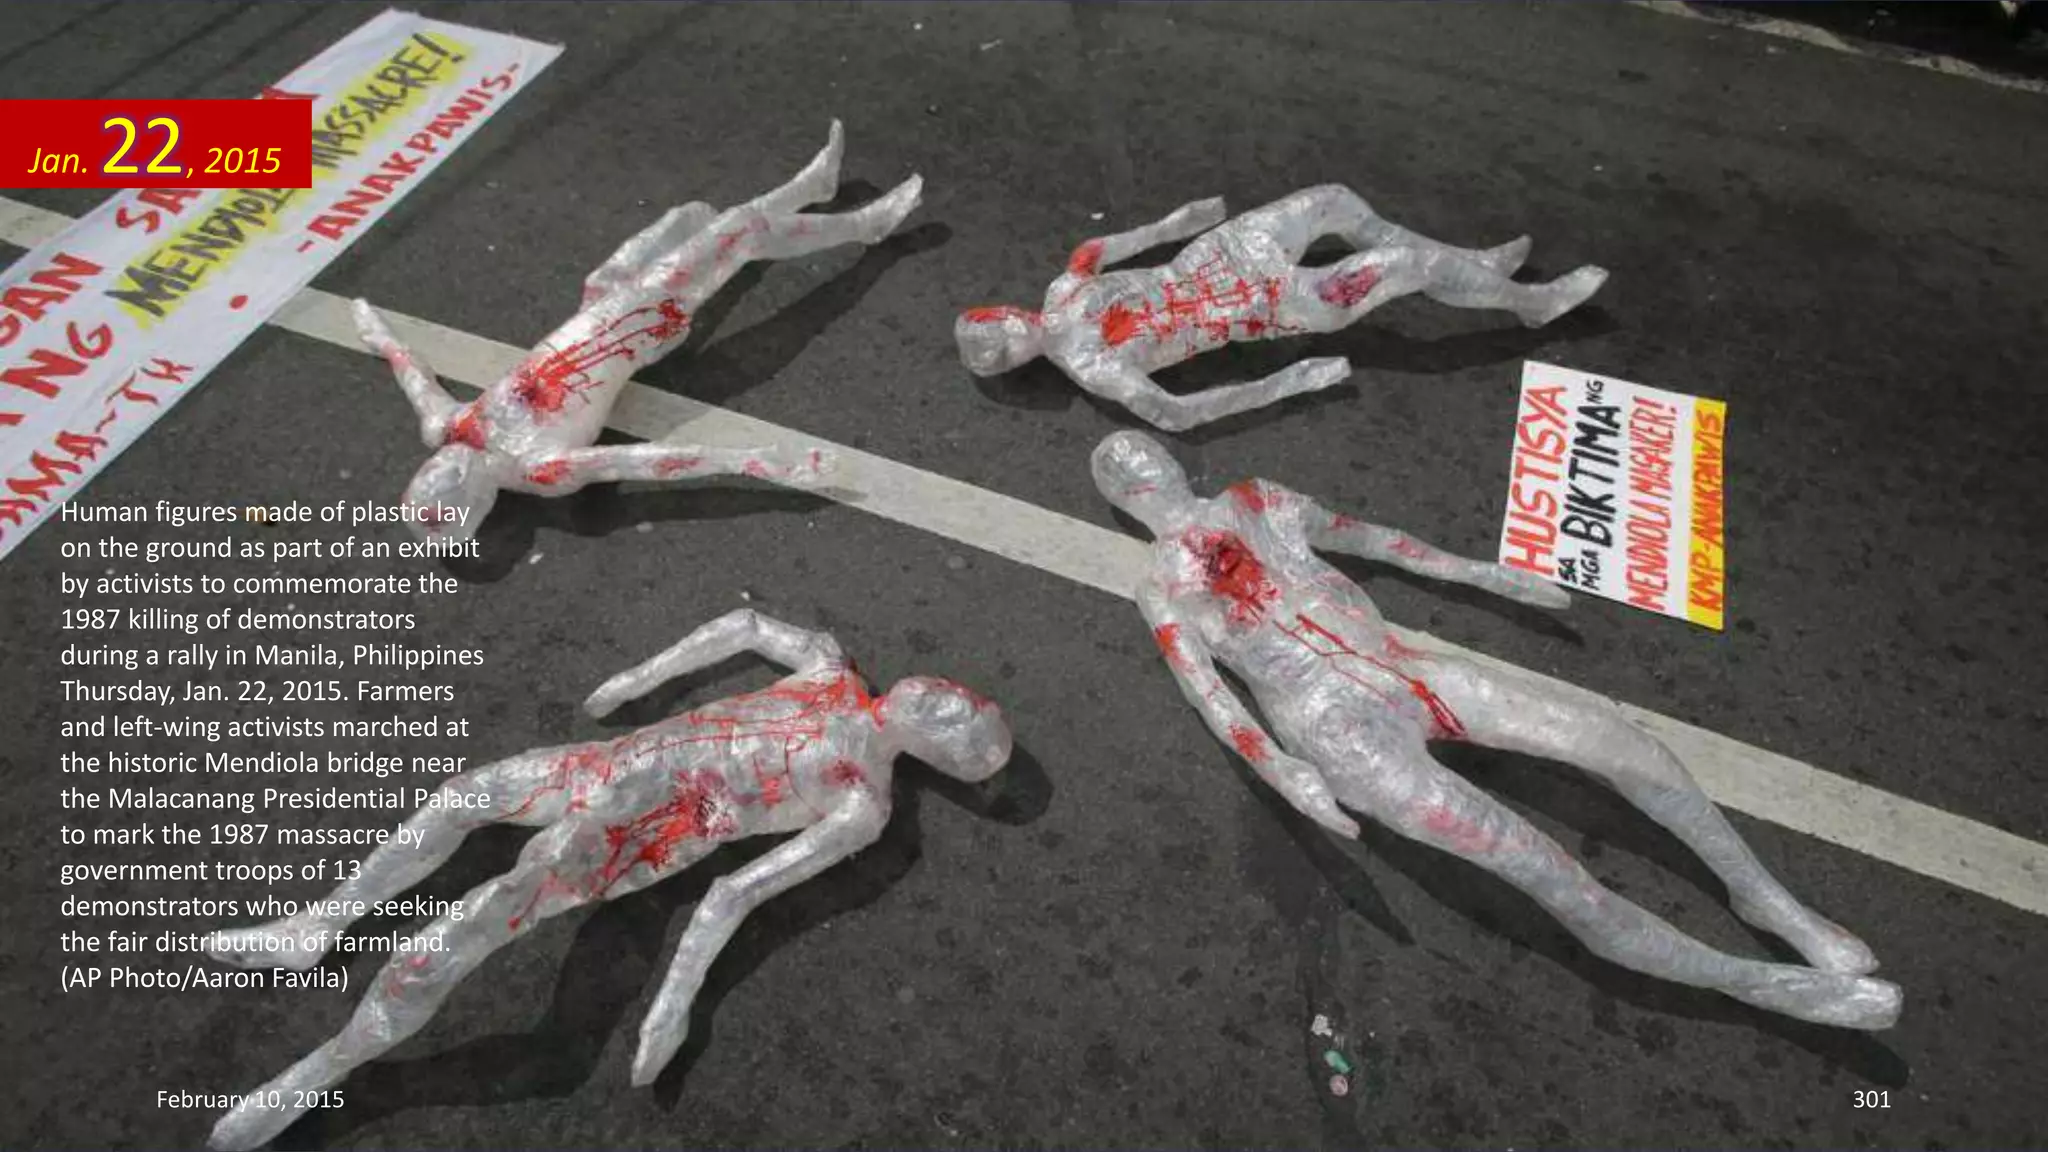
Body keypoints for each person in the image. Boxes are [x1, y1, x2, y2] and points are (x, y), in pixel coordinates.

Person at [1092, 429, 1900, 1030]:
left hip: (1409, 669)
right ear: (1123, 500)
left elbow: (1373, 540)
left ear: (1170, 459)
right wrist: (1284, 772)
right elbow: (1211, 695)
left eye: (1139, 451)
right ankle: (1758, 986)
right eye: (1121, 469)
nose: (1138, 466)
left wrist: (1480, 572)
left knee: (1623, 745)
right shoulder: (1160, 589)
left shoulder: (1257, 499)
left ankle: (1767, 901)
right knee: (1548, 873)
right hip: (1339, 732)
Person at [201, 610, 1012, 1151]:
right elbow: (746, 624)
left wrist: (674, 1002)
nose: (951, 699)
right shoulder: (833, 672)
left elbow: (737, 893)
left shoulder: (857, 802)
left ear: (939, 754)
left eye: (959, 723)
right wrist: (636, 680)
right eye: (963, 696)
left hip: (632, 836)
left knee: (465, 932)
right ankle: (319, 925)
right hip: (608, 765)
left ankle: (325, 1069)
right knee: (463, 797)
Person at [360, 121, 924, 543]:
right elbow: (647, 462)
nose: (443, 471)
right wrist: (753, 460)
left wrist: (377, 331)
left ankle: (811, 188)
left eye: (427, 480)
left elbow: (412, 377)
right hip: (636, 324)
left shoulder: (448, 427)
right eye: (450, 491)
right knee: (732, 232)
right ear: (479, 502)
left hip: (600, 301)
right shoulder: (543, 467)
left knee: (694, 223)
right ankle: (864, 226)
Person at [957, 185, 1606, 431]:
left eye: (994, 319)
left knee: (1335, 200)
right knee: (1406, 269)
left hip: (1221, 253)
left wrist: (1170, 222)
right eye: (1003, 344)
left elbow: (1090, 251)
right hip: (1262, 303)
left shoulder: (1060, 297)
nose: (1009, 325)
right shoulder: (1091, 363)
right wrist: (1291, 379)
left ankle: (1473, 267)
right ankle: (1533, 304)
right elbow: (1174, 414)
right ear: (1019, 359)